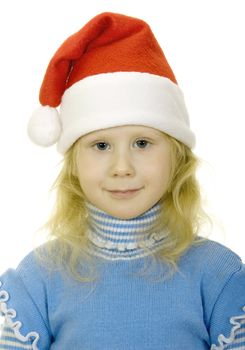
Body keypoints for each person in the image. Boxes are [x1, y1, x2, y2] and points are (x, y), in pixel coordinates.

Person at [0, 11, 244, 350]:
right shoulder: (37, 280)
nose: (122, 167)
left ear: (177, 156)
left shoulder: (220, 277)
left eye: (142, 143)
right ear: (74, 164)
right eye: (100, 146)